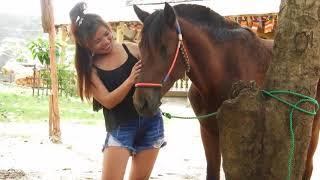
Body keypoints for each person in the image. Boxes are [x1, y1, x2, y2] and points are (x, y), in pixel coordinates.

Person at [69, 2, 166, 180]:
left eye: (107, 34)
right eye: (97, 41)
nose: (106, 42)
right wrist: (130, 80)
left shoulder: (132, 48)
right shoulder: (90, 69)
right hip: (121, 128)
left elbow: (156, 75)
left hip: (151, 123)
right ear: (86, 45)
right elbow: (108, 101)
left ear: (109, 28)